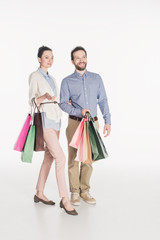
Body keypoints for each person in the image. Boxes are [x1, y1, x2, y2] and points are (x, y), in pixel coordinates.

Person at [29, 46, 78, 215]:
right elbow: (32, 100)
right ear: (39, 59)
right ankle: (65, 199)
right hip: (45, 121)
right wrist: (43, 97)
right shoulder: (35, 76)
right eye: (46, 57)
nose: (49, 60)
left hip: (56, 120)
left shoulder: (53, 79)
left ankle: (39, 192)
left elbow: (56, 98)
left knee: (49, 158)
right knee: (61, 158)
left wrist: (63, 102)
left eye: (52, 57)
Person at [60, 46, 111, 206]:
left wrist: (107, 121)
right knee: (74, 158)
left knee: (89, 157)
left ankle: (85, 190)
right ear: (72, 61)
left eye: (83, 57)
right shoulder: (67, 81)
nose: (81, 60)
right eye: (77, 57)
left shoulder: (96, 78)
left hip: (92, 123)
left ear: (86, 58)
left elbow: (102, 100)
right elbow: (62, 103)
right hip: (75, 123)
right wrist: (78, 110)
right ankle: (74, 192)